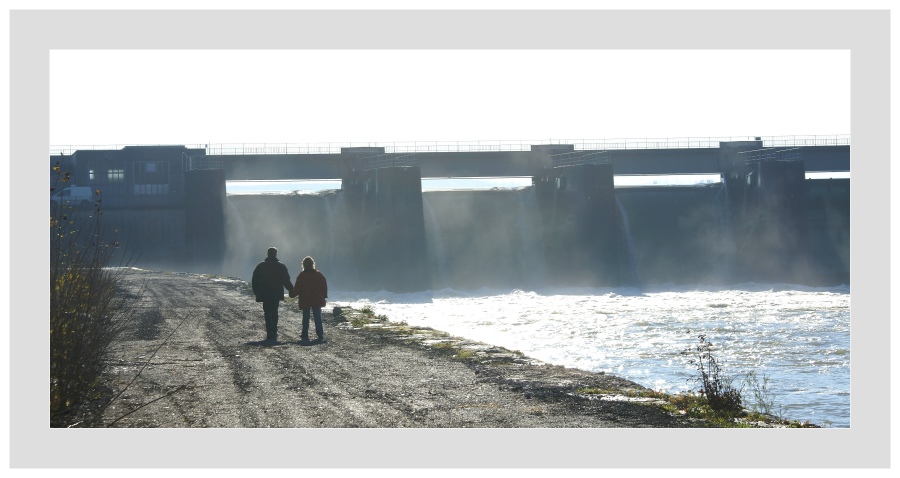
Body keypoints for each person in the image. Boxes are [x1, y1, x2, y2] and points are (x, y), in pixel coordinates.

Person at [251, 247, 294, 343]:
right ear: (276, 254)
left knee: (267, 312)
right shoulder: (281, 266)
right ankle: (274, 331)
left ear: (267, 254)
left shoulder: (260, 266)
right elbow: (286, 280)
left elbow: (254, 280)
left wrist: (256, 291)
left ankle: (269, 332)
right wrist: (291, 289)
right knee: (274, 311)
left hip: (265, 293)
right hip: (276, 293)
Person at [289, 256, 328, 343]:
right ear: (313, 264)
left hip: (305, 299)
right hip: (317, 299)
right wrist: (324, 296)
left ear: (303, 265)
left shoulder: (302, 275)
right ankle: (320, 333)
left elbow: (297, 288)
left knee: (306, 317)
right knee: (317, 316)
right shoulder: (319, 275)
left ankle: (305, 334)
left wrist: (292, 294)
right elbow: (324, 286)